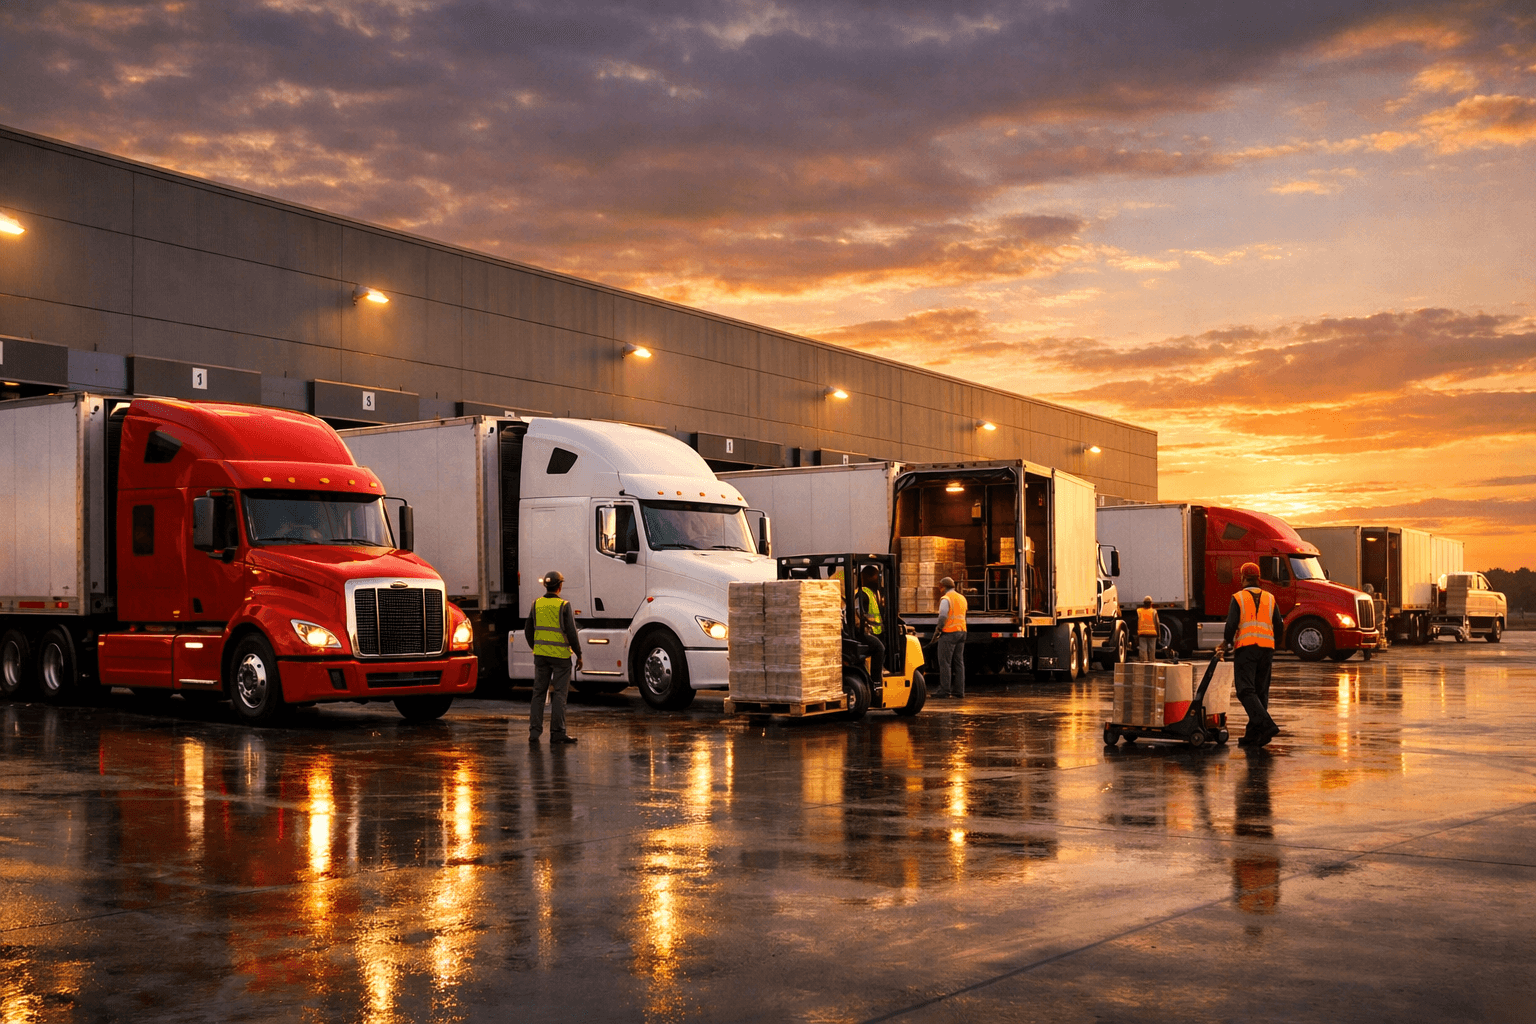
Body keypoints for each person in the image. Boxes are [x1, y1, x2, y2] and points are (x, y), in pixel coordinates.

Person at [1222, 562, 1286, 748]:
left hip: (1246, 648)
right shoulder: (1270, 598)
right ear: (1259, 579)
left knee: (1245, 690)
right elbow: (1279, 625)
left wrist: (1226, 642)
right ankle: (1253, 736)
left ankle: (1266, 725)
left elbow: (1231, 624)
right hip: (1267, 649)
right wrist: (1275, 643)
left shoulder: (1238, 598)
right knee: (1260, 691)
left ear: (1243, 578)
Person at [524, 570, 582, 744]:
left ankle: (534, 732)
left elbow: (528, 630)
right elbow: (572, 633)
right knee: (559, 694)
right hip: (560, 657)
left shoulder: (536, 604)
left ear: (546, 586)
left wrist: (536, 647)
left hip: (541, 656)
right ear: (560, 586)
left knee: (538, 693)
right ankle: (557, 732)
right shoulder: (564, 605)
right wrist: (579, 654)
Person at [932, 576, 967, 698]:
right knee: (959, 662)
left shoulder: (946, 599)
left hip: (949, 633)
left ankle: (944, 690)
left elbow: (943, 616)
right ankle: (959, 691)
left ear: (943, 587)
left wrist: (938, 629)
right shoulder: (962, 598)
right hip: (962, 632)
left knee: (945, 663)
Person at [855, 565, 887, 678]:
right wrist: (864, 628)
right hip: (863, 632)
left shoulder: (873, 593)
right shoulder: (862, 593)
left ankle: (880, 670)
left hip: (874, 631)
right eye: (875, 576)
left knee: (884, 645)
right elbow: (857, 615)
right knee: (879, 648)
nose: (877, 579)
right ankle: (876, 680)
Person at [1136, 596, 1160, 662]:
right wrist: (1159, 635)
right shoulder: (1154, 611)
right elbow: (1157, 623)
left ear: (1144, 603)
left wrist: (1136, 634)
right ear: (1151, 603)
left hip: (1142, 634)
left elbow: (1136, 622)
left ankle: (1144, 662)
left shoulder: (1139, 611)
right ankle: (1151, 662)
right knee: (1152, 650)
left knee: (1143, 649)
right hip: (1153, 634)